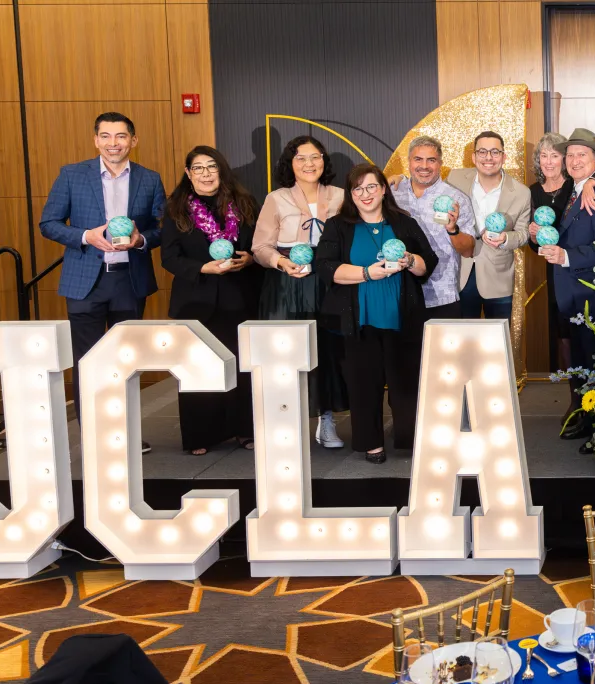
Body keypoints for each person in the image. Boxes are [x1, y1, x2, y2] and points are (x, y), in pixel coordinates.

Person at [39, 111, 165, 454]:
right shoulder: (72, 175)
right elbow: (48, 223)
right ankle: (94, 435)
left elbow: (162, 228)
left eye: (121, 136)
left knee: (125, 361)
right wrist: (85, 236)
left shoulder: (150, 179)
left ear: (133, 141)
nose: (114, 143)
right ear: (96, 140)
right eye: (106, 136)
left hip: (129, 280)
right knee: (88, 362)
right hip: (85, 283)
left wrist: (141, 240)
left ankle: (125, 434)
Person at [316, 164, 437, 464]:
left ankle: (408, 438)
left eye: (371, 187)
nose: (365, 194)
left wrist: (410, 259)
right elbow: (326, 268)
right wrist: (366, 273)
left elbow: (428, 264)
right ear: (351, 194)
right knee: (363, 383)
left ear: (384, 189)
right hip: (358, 319)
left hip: (402, 316)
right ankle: (371, 443)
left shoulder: (403, 223)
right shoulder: (338, 226)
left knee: (406, 382)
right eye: (358, 189)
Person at [159, 146, 261, 454]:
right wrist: (202, 267)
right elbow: (169, 257)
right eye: (198, 168)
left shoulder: (243, 204)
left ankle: (244, 429)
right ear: (188, 174)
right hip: (196, 298)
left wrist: (250, 259)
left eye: (211, 167)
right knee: (197, 369)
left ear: (222, 170)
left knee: (243, 368)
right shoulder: (176, 208)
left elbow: (259, 244)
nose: (205, 173)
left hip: (239, 296)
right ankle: (200, 436)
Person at [252, 135, 350, 449]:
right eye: (301, 158)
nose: (309, 164)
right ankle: (284, 423)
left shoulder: (340, 196)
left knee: (328, 352)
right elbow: (259, 248)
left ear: (324, 161)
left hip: (328, 283)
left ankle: (326, 420)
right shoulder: (276, 198)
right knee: (286, 354)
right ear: (290, 164)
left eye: (315, 157)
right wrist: (281, 262)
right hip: (286, 285)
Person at [527, 132, 595, 437]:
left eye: (582, 155)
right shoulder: (579, 190)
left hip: (591, 295)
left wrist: (566, 255)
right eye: (571, 155)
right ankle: (588, 421)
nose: (574, 161)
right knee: (583, 363)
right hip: (575, 297)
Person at [445, 131, 531, 320]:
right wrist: (401, 180)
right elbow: (428, 185)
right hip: (461, 273)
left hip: (498, 277)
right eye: (482, 152)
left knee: (498, 342)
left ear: (504, 156)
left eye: (495, 152)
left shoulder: (521, 193)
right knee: (463, 340)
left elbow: (523, 233)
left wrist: (505, 239)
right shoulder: (455, 179)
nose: (488, 158)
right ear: (474, 157)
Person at [390, 135, 476, 319]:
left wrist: (453, 230)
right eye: (418, 159)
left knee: (443, 349)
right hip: (398, 293)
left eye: (431, 160)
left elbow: (468, 250)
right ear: (409, 161)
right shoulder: (392, 193)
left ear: (440, 163)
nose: (424, 166)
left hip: (441, 295)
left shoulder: (456, 199)